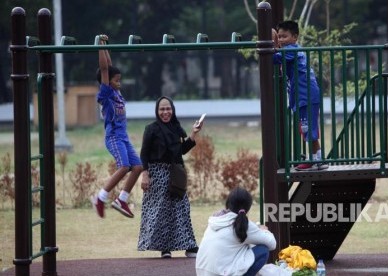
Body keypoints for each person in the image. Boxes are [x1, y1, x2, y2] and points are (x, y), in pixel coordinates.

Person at [138, 96, 202, 258]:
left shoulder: (177, 128)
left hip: (175, 173)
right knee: (161, 212)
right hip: (157, 174)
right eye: (162, 109)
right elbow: (144, 153)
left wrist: (194, 133)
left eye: (168, 109)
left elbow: (181, 151)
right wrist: (144, 174)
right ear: (157, 111)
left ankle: (190, 246)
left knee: (182, 209)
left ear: (172, 110)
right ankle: (165, 248)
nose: (165, 112)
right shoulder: (151, 129)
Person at [92, 34, 143, 218]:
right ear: (107, 82)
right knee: (123, 166)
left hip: (124, 137)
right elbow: (105, 68)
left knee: (137, 167)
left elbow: (110, 65)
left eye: (119, 79)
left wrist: (105, 44)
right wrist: (98, 43)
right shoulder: (106, 93)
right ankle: (100, 197)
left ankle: (122, 199)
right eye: (116, 80)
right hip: (113, 136)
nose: (118, 82)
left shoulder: (117, 93)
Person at [272, 21, 329, 171]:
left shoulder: (291, 50)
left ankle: (318, 160)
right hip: (303, 95)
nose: (281, 40)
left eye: (285, 36)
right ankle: (315, 158)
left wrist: (268, 47)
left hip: (306, 95)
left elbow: (274, 59)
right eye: (279, 37)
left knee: (308, 127)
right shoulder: (290, 50)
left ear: (295, 37)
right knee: (306, 128)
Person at [196, 186, 276, 276]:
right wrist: (264, 231)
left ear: (228, 203)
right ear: (248, 208)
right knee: (263, 250)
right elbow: (272, 244)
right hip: (220, 273)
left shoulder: (216, 220)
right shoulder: (245, 226)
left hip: (201, 272)